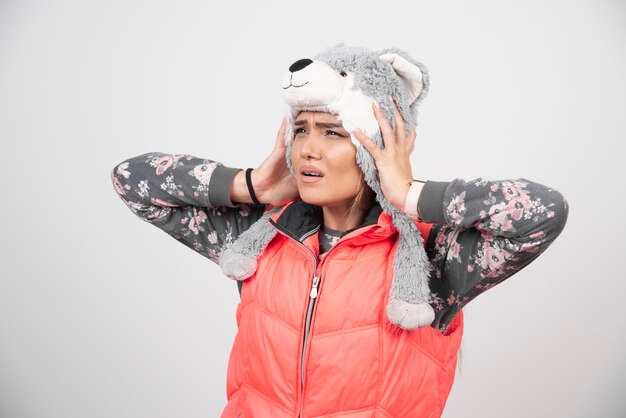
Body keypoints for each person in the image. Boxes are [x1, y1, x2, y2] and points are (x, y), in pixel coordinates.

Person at [111, 45, 568, 417]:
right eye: (302, 129)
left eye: (332, 133)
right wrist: (252, 183)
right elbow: (133, 181)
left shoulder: (433, 257)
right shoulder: (261, 235)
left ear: (376, 146)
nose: (308, 149)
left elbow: (542, 213)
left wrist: (408, 191)